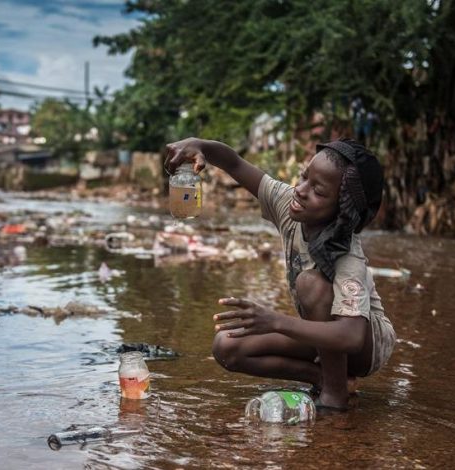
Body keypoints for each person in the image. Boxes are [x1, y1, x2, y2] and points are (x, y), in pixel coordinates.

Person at [164, 137, 396, 411]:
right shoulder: (289, 205)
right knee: (227, 346)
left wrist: (275, 321)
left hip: (367, 346)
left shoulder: (348, 255)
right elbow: (234, 163)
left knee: (311, 284)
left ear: (342, 213)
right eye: (304, 177)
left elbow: (352, 335)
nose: (300, 190)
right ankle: (325, 378)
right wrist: (199, 145)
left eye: (318, 192)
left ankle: (335, 397)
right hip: (326, 335)